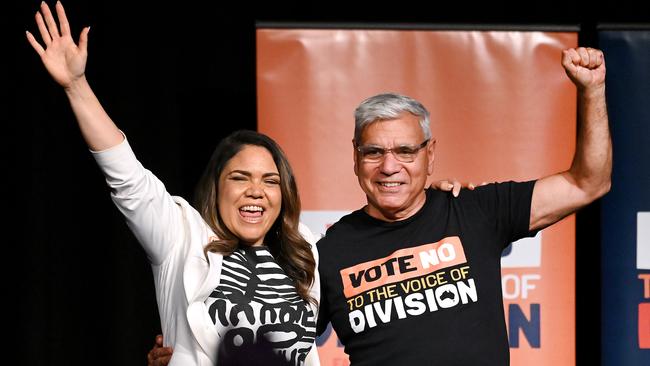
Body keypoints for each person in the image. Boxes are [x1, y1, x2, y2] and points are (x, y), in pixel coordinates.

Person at [26, 2, 322, 365]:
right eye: (239, 178)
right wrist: (76, 86)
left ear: (284, 192)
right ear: (217, 187)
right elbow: (126, 175)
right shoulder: (179, 235)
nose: (256, 190)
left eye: (270, 181)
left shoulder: (305, 249)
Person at [313, 47, 611, 364]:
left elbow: (588, 183)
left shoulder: (474, 210)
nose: (389, 166)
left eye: (405, 151)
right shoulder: (328, 253)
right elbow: (276, 340)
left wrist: (592, 90)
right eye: (373, 152)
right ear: (356, 158)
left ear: (430, 155)